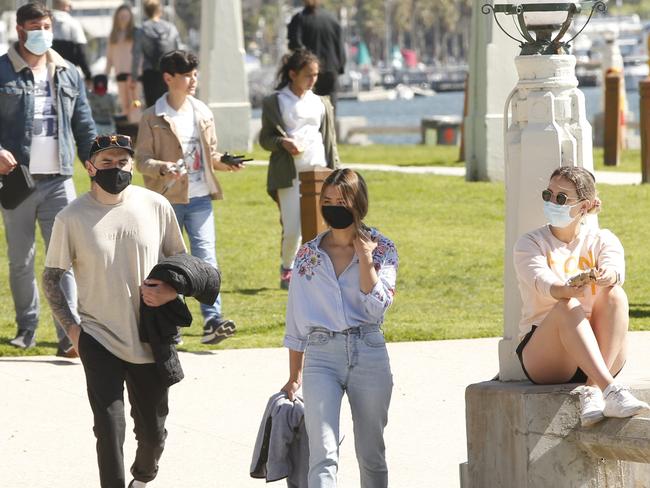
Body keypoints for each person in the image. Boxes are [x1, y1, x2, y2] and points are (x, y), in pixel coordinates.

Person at [43, 134, 186, 488]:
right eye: (106, 162)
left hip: (150, 337)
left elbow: (183, 265)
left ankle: (142, 478)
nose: (115, 168)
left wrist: (171, 291)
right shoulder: (71, 217)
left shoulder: (156, 205)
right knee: (108, 431)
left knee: (152, 434)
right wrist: (73, 330)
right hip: (98, 337)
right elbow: (51, 280)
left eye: (122, 162)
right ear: (90, 167)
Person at [281, 168, 397, 487]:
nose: (333, 206)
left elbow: (377, 307)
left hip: (369, 354)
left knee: (371, 454)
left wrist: (365, 258)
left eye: (341, 200)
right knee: (323, 453)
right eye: (327, 200)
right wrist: (294, 376)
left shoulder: (383, 249)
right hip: (321, 357)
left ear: (358, 203)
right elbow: (296, 320)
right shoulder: (308, 255)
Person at [514, 166, 650, 427]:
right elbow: (541, 281)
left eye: (561, 198)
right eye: (548, 194)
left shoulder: (603, 239)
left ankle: (593, 390)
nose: (552, 202)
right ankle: (610, 389)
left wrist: (605, 276)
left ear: (584, 206)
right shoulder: (530, 243)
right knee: (567, 305)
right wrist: (565, 290)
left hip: (603, 353)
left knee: (616, 295)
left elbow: (614, 268)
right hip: (547, 355)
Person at [0, 2, 96, 355]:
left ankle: (68, 335)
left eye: (47, 26)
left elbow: (84, 124)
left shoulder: (68, 72)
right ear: (21, 31)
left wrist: (95, 163)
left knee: (63, 259)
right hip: (18, 180)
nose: (43, 33)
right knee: (21, 259)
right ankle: (26, 328)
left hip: (59, 179)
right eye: (36, 27)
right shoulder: (2, 71)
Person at [135, 50, 245, 345]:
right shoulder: (152, 116)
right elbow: (141, 160)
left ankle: (213, 320)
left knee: (206, 257)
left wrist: (228, 162)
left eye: (195, 74)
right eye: (187, 75)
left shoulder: (203, 112)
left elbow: (211, 156)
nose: (193, 80)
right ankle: (171, 323)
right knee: (168, 263)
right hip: (166, 201)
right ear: (169, 78)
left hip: (200, 198)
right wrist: (163, 168)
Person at [259, 49, 339, 289]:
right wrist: (283, 143)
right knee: (293, 228)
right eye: (308, 75)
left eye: (315, 75)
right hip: (289, 174)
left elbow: (329, 140)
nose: (313, 80)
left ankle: (314, 271)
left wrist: (336, 171)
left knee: (319, 228)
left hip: (318, 171)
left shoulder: (321, 102)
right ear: (292, 74)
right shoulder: (276, 102)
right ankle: (287, 266)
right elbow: (265, 139)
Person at [287, 0, 346, 112]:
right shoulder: (332, 19)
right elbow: (341, 48)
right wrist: (339, 68)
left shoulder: (299, 19)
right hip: (331, 71)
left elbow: (295, 45)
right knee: (329, 111)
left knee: (309, 112)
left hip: (308, 73)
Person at [131, 0, 180, 108]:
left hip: (149, 73)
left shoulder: (141, 30)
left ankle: (154, 125)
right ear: (160, 10)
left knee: (152, 107)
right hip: (168, 73)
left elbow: (136, 56)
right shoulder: (171, 28)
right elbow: (178, 51)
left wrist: (134, 77)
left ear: (145, 11)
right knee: (168, 106)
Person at [105, 3, 140, 120]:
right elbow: (109, 58)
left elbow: (140, 55)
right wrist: (105, 75)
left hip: (134, 76)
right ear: (117, 18)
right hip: (120, 75)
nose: (123, 19)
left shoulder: (136, 33)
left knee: (136, 104)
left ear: (130, 17)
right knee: (124, 106)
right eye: (121, 16)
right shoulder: (113, 35)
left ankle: (137, 130)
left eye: (126, 16)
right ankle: (128, 134)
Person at [51, 0, 92, 83]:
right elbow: (81, 52)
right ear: (65, 6)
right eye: (70, 6)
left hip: (47, 70)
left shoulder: (43, 22)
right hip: (68, 71)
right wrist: (88, 75)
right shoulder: (73, 23)